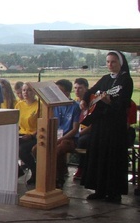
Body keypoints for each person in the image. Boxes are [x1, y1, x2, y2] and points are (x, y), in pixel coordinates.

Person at [82, 51, 133, 202]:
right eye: (108, 62)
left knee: (112, 157)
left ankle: (114, 192)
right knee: (99, 155)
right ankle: (99, 189)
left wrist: (109, 102)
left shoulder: (126, 81)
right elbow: (90, 92)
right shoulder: (105, 78)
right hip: (100, 125)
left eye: (113, 62)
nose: (110, 65)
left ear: (121, 63)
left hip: (114, 126)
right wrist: (85, 101)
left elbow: (123, 103)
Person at [51, 79, 81, 189]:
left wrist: (60, 138)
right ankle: (43, 175)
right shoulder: (54, 106)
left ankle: (59, 179)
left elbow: (74, 129)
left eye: (60, 91)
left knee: (58, 150)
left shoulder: (75, 106)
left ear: (67, 92)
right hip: (56, 137)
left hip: (70, 139)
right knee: (37, 149)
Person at [16, 83, 39, 185]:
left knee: (21, 149)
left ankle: (35, 171)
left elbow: (43, 124)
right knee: (7, 145)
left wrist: (31, 135)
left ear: (34, 92)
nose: (26, 93)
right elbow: (15, 122)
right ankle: (17, 171)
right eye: (24, 90)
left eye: (29, 90)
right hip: (21, 134)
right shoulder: (19, 105)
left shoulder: (40, 106)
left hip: (34, 135)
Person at [72, 77, 91, 181]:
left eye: (80, 88)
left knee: (82, 141)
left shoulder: (91, 102)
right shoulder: (74, 102)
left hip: (86, 131)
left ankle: (81, 168)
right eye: (75, 88)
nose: (77, 91)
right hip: (75, 130)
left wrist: (80, 133)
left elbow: (92, 125)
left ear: (86, 89)